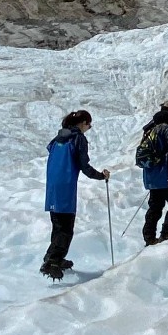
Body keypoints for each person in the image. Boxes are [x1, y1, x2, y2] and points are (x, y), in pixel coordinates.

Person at [43, 110, 109, 278]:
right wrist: (101, 176)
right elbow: (84, 166)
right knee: (66, 228)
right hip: (66, 187)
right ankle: (53, 261)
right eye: (89, 124)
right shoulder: (78, 139)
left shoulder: (57, 139)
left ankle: (53, 257)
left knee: (58, 225)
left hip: (52, 187)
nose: (89, 127)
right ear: (83, 123)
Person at [138, 101, 168, 244]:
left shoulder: (150, 128)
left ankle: (149, 238)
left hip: (151, 175)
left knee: (155, 207)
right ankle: (166, 232)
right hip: (165, 175)